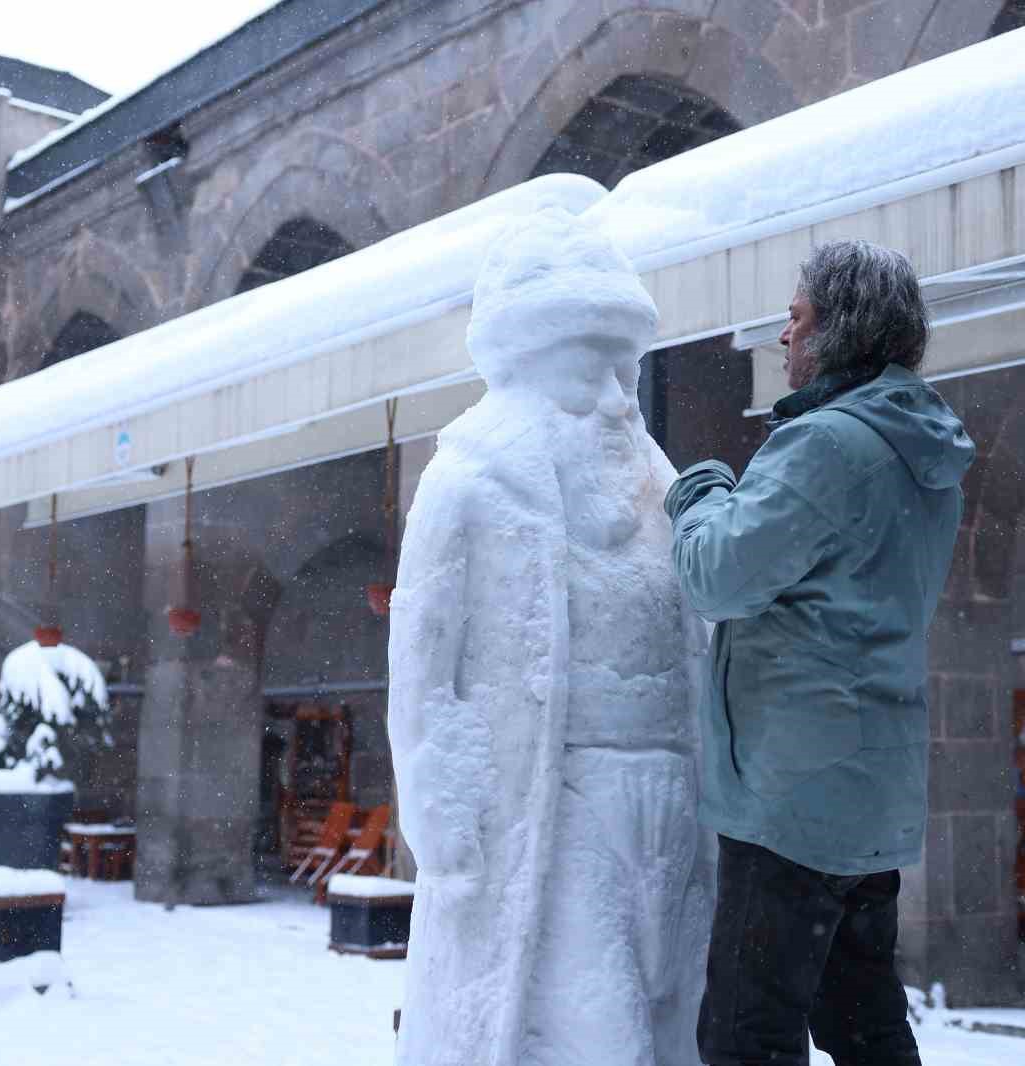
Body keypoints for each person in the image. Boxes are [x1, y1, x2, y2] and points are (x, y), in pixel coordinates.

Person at [388, 208, 713, 1066]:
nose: (613, 403)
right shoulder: (467, 482)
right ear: (527, 372)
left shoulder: (664, 485)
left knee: (669, 1004)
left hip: (669, 797)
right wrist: (440, 804)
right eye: (585, 377)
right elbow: (420, 665)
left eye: (626, 374)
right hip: (551, 801)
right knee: (601, 1031)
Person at [664, 239, 976, 1066]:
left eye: (796, 317)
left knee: (744, 1035)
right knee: (863, 1023)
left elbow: (717, 577)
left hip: (791, 799)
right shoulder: (920, 453)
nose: (782, 336)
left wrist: (700, 491)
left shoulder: (830, 444)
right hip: (867, 793)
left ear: (839, 330)